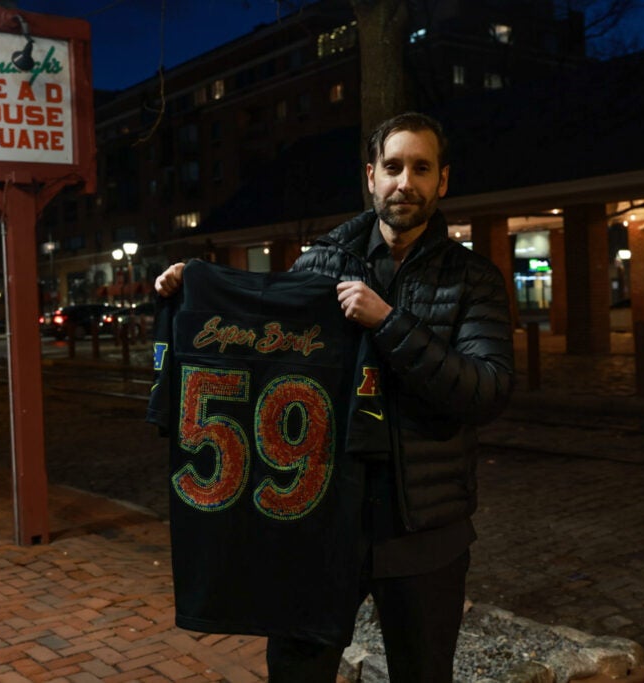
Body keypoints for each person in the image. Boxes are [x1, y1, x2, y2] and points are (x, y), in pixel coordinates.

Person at [154, 112, 514, 682]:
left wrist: (389, 323)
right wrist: (190, 293)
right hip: (313, 527)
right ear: (371, 176)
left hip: (422, 533)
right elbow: (259, 343)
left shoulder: (473, 279)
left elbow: (487, 391)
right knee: (297, 675)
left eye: (422, 168)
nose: (405, 182)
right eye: (393, 167)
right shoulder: (317, 264)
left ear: (442, 181)